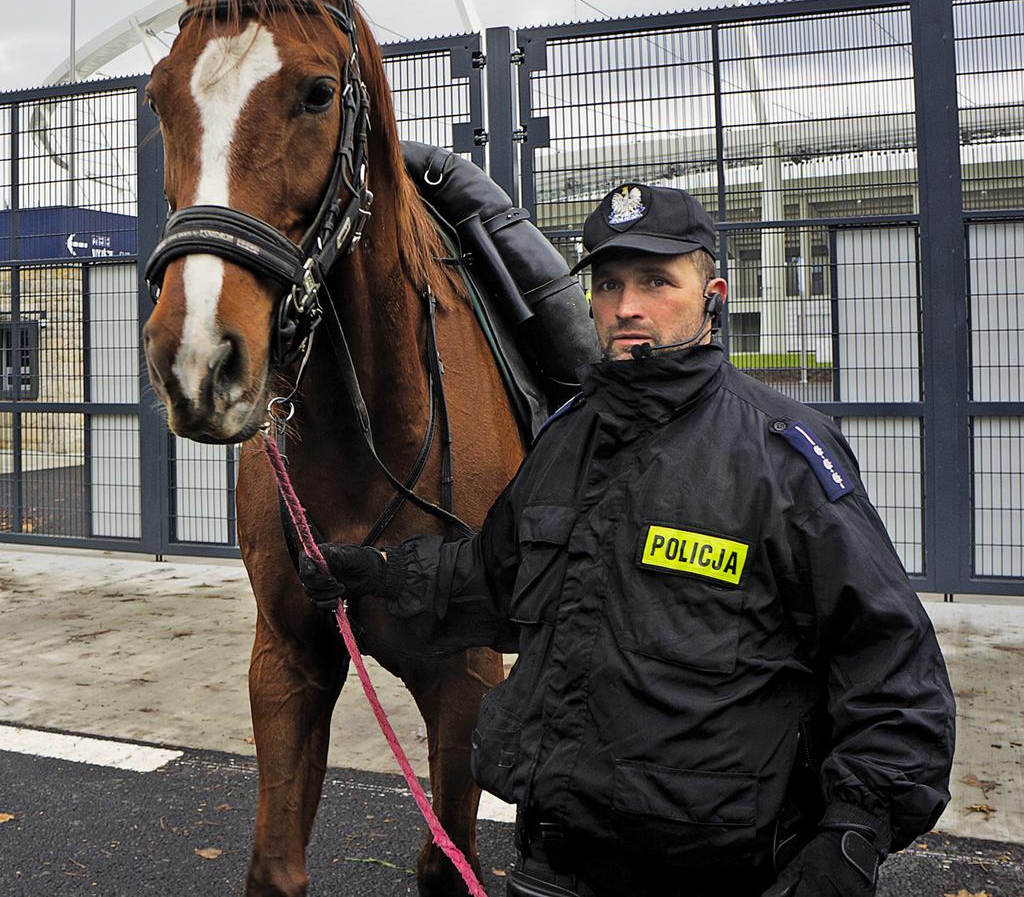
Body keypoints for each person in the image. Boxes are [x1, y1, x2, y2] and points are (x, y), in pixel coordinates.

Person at [300, 182, 956, 897]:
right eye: (609, 283)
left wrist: (853, 834)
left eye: (655, 281)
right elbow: (492, 582)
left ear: (713, 293)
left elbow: (889, 656)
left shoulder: (783, 454)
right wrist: (381, 572)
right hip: (559, 858)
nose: (626, 306)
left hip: (717, 869)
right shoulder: (566, 439)